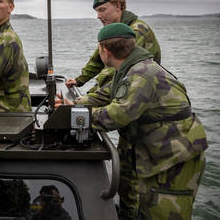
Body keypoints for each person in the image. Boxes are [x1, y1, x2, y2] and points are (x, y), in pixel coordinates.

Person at [56, 23, 208, 219]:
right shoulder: (131, 68)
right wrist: (73, 105)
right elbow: (107, 94)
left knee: (163, 213)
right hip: (160, 151)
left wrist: (73, 116)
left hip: (173, 157)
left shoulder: (141, 74)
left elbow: (116, 115)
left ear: (104, 51)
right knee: (144, 207)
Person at [66, 0, 161, 92]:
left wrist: (92, 94)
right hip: (129, 83)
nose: (98, 16)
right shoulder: (115, 30)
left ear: (118, 6)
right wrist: (79, 80)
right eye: (97, 12)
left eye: (102, 10)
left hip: (144, 87)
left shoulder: (136, 30)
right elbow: (99, 59)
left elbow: (116, 67)